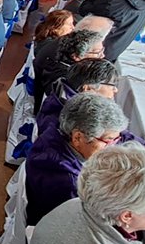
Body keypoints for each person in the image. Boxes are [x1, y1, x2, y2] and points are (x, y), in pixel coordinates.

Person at [26, 94, 130, 225]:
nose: (113, 146)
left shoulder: (59, 131)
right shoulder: (68, 181)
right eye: (108, 141)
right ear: (78, 138)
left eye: (116, 140)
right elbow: (86, 222)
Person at [33, 29, 105, 112]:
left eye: (102, 50)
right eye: (98, 53)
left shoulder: (60, 54)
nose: (103, 56)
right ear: (76, 56)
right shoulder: (66, 79)